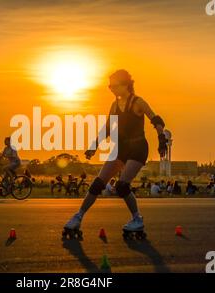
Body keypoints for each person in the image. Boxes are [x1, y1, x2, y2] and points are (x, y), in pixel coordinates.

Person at [63, 69, 167, 239]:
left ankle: (137, 219)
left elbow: (156, 120)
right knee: (97, 183)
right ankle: (78, 217)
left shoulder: (138, 102)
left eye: (113, 85)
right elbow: (108, 128)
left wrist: (161, 139)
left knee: (122, 186)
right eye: (109, 85)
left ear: (125, 84)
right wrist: (95, 145)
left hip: (138, 147)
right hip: (121, 148)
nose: (110, 88)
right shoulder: (114, 105)